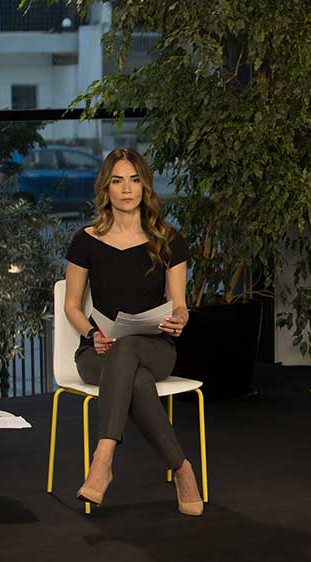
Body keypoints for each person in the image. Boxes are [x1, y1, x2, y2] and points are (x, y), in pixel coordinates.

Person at [63, 147, 203, 516]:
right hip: (100, 351)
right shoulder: (85, 240)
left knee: (130, 353)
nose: (127, 189)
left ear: (145, 187)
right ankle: (183, 470)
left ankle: (102, 459)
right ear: (106, 188)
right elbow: (72, 306)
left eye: (135, 180)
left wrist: (180, 318)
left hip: (155, 348)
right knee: (133, 375)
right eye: (117, 180)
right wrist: (92, 334)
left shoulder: (169, 239)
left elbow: (178, 304)